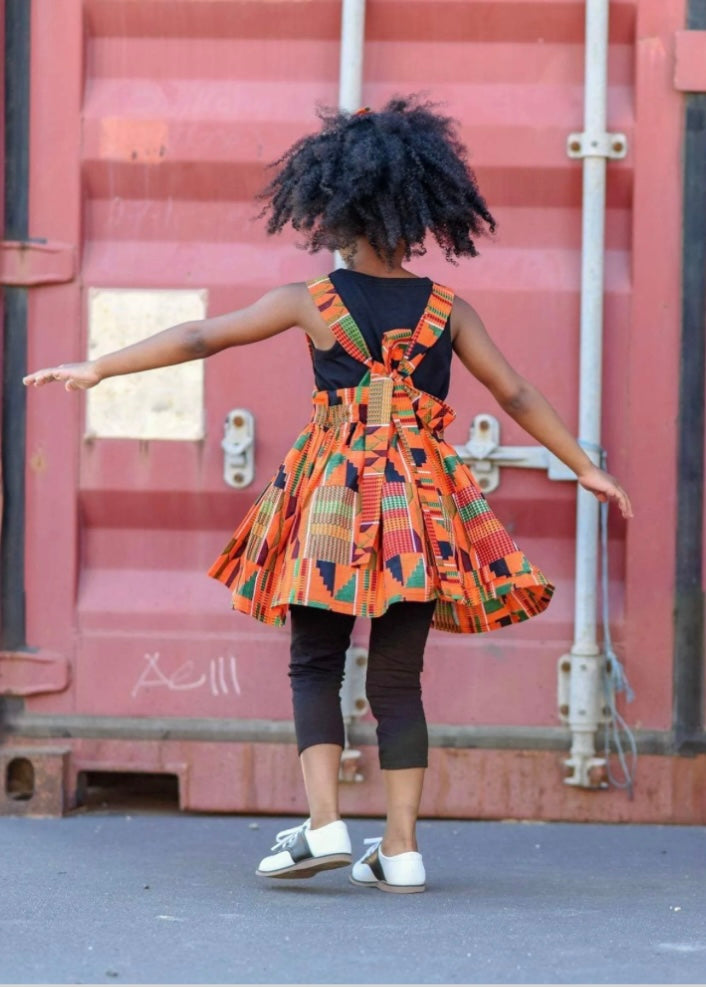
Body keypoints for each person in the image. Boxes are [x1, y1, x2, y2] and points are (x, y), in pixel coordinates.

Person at [24, 97, 632, 894]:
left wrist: (99, 367)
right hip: (420, 504)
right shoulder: (449, 311)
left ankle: (323, 827)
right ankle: (404, 848)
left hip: (333, 500)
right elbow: (514, 393)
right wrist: (581, 463)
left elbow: (204, 336)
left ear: (334, 209)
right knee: (398, 680)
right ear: (422, 211)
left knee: (315, 659)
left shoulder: (313, 301)